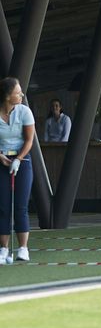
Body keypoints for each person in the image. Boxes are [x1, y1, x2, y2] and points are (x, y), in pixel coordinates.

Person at [0, 77, 35, 264]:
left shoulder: (24, 112)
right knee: (3, 207)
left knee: (20, 206)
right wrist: (1, 157)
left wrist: (18, 159)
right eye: (17, 92)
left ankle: (23, 249)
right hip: (2, 161)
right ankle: (3, 250)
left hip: (23, 160)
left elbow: (29, 140)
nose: (21, 94)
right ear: (7, 96)